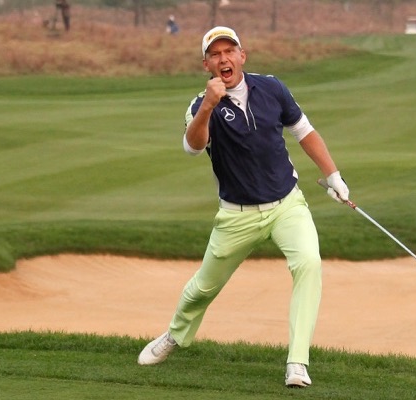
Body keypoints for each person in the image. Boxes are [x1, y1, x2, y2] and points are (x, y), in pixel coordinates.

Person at [137, 26, 350, 388]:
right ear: (206, 64)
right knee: (204, 288)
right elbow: (192, 147)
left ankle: (297, 362)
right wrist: (209, 105)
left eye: (229, 51)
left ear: (242, 56)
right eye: (215, 54)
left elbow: (304, 131)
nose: (224, 59)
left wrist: (334, 176)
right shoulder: (200, 105)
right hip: (237, 215)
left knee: (309, 264)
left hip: (287, 204)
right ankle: (174, 334)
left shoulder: (272, 88)